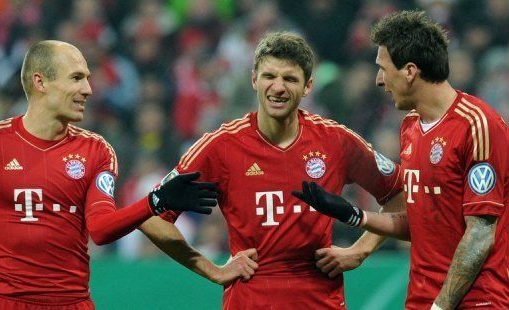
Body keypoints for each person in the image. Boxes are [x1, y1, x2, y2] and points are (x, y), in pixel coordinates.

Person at [139, 31, 405, 309]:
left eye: (290, 79)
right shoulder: (221, 145)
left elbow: (398, 191)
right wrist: (211, 270)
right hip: (250, 299)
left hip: (319, 300)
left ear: (308, 86)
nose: (278, 87)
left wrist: (359, 251)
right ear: (254, 79)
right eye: (269, 76)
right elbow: (151, 217)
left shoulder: (336, 141)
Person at [293, 10, 509, 310]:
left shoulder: (478, 125)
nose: (379, 80)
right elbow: (425, 224)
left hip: (477, 302)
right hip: (420, 299)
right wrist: (355, 217)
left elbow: (480, 234)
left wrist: (440, 307)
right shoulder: (410, 127)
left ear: (409, 71)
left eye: (383, 68)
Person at [0, 40, 218, 309]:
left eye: (87, 79)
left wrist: (156, 200)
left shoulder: (96, 150)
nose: (88, 90)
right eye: (76, 78)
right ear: (40, 82)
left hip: (71, 303)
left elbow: (100, 229)